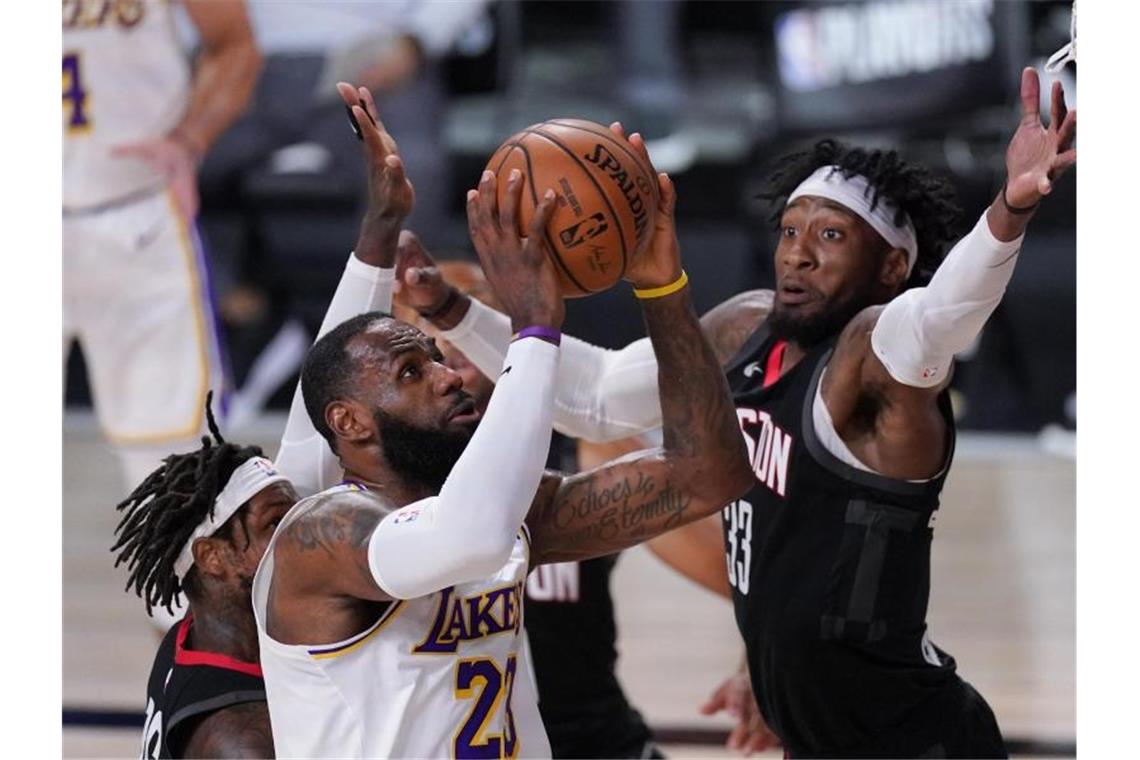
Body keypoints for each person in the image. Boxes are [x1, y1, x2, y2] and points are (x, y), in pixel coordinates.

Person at [398, 67, 1076, 758]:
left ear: (893, 267)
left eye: (832, 237)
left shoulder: (878, 359)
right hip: (818, 735)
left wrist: (1009, 210)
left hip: (911, 738)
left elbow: (944, 317)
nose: (799, 254)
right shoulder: (747, 327)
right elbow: (596, 398)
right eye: (789, 231)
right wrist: (448, 310)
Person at [250, 147, 754, 757]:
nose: (449, 373)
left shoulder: (516, 511)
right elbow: (469, 536)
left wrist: (661, 286)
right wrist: (535, 328)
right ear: (350, 423)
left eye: (439, 357)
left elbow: (709, 474)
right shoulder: (323, 534)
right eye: (413, 370)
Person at [109, 83, 414, 759]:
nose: (303, 528)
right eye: (280, 522)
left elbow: (316, 413)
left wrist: (379, 233)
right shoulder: (247, 735)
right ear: (216, 557)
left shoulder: (214, 631)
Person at [394, 259, 731, 758]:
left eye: (469, 314)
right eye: (426, 326)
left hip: (593, 744)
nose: (451, 339)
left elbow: (732, 568)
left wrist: (764, 665)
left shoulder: (582, 450)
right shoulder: (387, 478)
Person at [64, 0, 261, 492]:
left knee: (171, 462)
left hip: (138, 210)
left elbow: (236, 44)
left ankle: (173, 569)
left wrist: (190, 138)